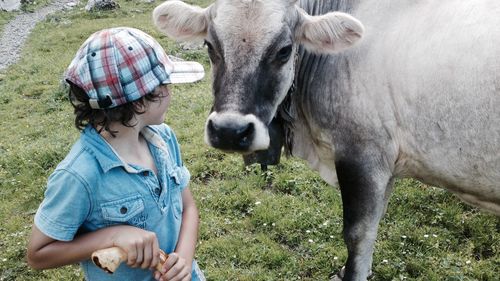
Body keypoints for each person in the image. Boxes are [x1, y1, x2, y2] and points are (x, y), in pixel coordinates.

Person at [26, 27, 206, 281]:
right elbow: (37, 254)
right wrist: (111, 236)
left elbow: (188, 207)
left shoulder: (164, 138)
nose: (171, 91)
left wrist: (184, 260)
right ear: (139, 102)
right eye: (165, 84)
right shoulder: (80, 174)